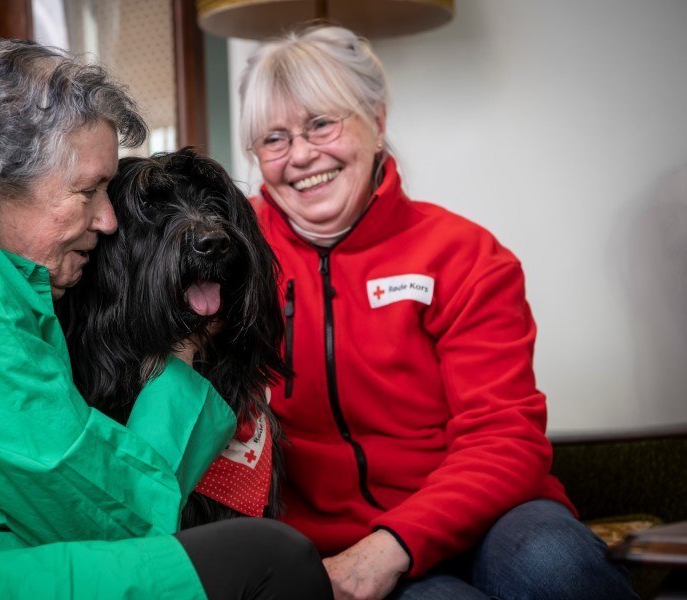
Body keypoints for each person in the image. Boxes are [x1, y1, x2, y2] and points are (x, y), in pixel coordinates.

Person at [0, 39, 333, 599]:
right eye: (89, 190)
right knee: (273, 558)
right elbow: (119, 518)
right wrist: (182, 353)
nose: (108, 219)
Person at [238, 24, 638, 600]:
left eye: (321, 123)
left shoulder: (466, 255)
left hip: (491, 517)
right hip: (334, 548)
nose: (301, 155)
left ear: (376, 120)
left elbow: (506, 437)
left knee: (557, 566)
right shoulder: (234, 261)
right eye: (274, 139)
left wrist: (394, 543)